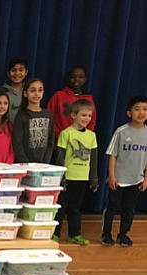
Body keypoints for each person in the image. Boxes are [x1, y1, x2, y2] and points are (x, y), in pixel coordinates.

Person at [101, 95, 147, 247]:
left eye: (145, 109)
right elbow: (112, 155)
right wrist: (112, 176)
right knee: (112, 207)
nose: (141, 113)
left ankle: (123, 234)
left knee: (129, 209)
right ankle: (106, 234)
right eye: (137, 109)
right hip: (119, 179)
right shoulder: (121, 131)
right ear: (129, 113)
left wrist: (145, 179)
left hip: (136, 179)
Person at [53, 99, 98, 245]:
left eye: (89, 116)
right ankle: (55, 233)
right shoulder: (66, 134)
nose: (86, 119)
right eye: (83, 115)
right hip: (68, 177)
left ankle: (74, 234)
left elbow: (93, 159)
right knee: (61, 207)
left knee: (76, 208)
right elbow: (60, 157)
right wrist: (62, 178)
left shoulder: (91, 136)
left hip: (82, 178)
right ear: (73, 115)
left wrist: (94, 178)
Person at [47, 66, 96, 140]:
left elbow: (91, 121)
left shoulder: (88, 99)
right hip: (59, 141)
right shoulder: (58, 96)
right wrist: (59, 134)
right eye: (73, 77)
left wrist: (84, 136)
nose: (76, 79)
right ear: (68, 79)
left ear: (84, 80)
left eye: (80, 77)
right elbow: (49, 117)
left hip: (80, 142)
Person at [12, 78, 54, 163]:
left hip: (43, 164)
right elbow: (17, 143)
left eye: (40, 90)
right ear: (25, 93)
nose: (37, 94)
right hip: (25, 164)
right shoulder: (21, 116)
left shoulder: (48, 115)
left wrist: (46, 161)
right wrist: (26, 163)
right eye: (33, 90)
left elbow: (50, 141)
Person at [1, 56, 28, 122]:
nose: (17, 73)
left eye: (21, 70)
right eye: (13, 70)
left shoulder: (30, 92)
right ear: (8, 73)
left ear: (26, 72)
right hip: (7, 131)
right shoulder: (1, 93)